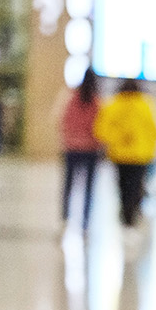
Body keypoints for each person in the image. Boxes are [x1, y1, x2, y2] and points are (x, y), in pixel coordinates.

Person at [93, 78, 156, 228]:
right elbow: (153, 129)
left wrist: (117, 139)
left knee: (123, 186)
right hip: (140, 154)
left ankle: (125, 216)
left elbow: (101, 129)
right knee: (136, 186)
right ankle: (132, 215)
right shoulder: (146, 105)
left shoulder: (114, 104)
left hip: (119, 154)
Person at [59, 68, 103, 233]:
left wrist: (70, 138)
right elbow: (101, 127)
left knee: (69, 185)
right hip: (90, 150)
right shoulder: (97, 102)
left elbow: (64, 121)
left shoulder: (72, 99)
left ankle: (65, 218)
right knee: (88, 187)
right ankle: (85, 221)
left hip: (72, 149)